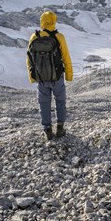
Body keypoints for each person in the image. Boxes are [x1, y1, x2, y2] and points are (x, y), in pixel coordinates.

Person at [27, 11, 73, 141]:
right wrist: (69, 75)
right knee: (60, 101)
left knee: (44, 103)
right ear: (54, 21)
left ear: (42, 21)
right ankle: (60, 127)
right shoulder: (59, 37)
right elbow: (66, 57)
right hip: (57, 77)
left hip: (41, 78)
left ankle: (47, 130)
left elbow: (29, 59)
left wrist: (32, 77)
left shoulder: (34, 37)